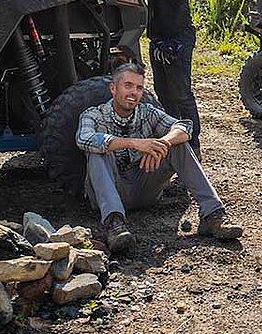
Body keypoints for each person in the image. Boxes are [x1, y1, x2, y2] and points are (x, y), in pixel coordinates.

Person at [75, 63, 244, 254]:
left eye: (139, 88)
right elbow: (84, 138)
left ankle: (212, 215)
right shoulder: (93, 115)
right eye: (128, 86)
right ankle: (114, 225)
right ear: (113, 88)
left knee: (177, 143)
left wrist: (160, 144)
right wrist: (134, 143)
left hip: (144, 186)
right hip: (108, 191)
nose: (133, 93)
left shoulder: (147, 112)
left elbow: (184, 128)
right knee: (97, 151)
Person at [114, 0, 201, 154]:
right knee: (165, 95)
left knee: (180, 95)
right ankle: (176, 148)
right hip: (160, 38)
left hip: (176, 39)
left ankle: (193, 149)